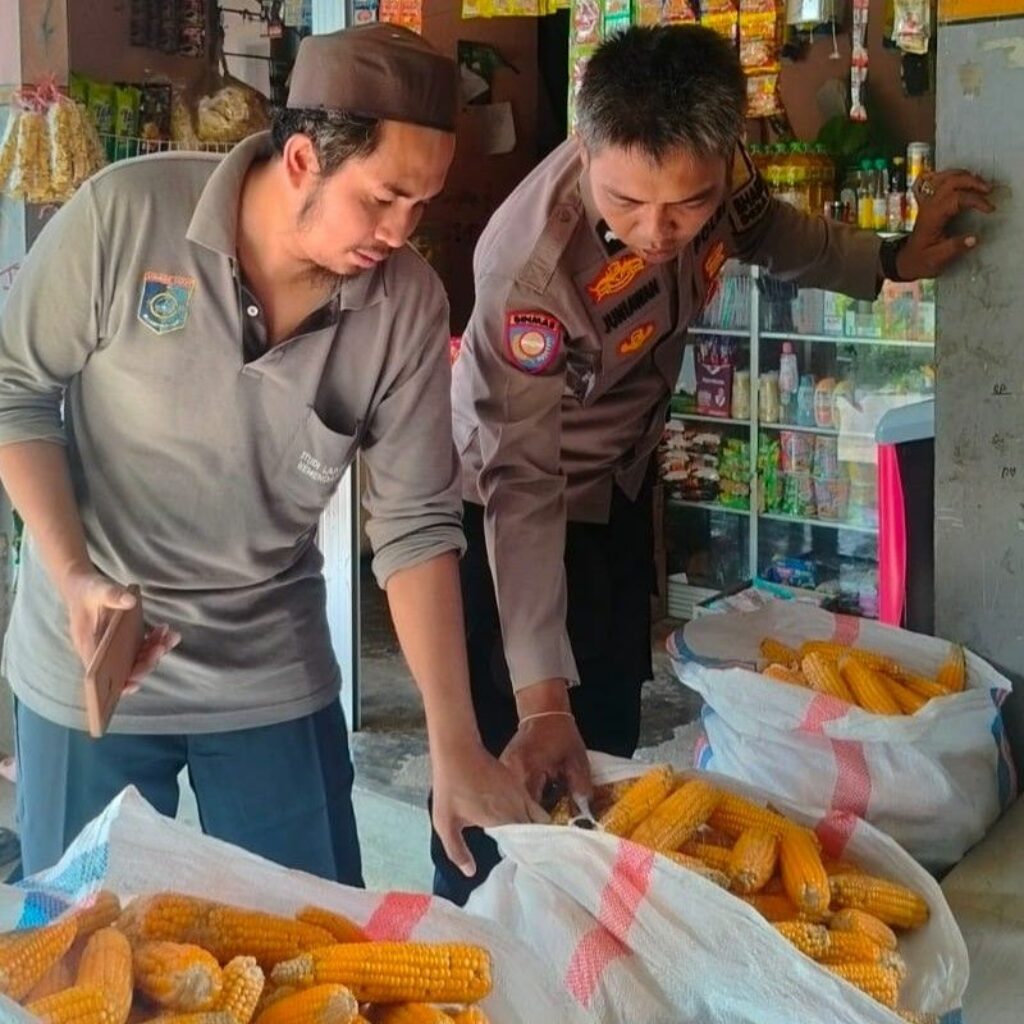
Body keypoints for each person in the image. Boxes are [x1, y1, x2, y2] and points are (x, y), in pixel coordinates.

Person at [435, 23, 993, 903]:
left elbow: (771, 231)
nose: (657, 231)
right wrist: (542, 695)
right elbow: (521, 483)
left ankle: (595, 939)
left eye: (685, 207)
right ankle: (484, 935)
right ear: (586, 149)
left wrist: (886, 259)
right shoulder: (530, 272)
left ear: (725, 154)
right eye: (624, 202)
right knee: (515, 761)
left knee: (608, 731)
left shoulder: (717, 171)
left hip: (618, 489)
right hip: (508, 519)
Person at [0, 23, 543, 881]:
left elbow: (414, 524)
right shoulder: (123, 218)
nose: (401, 232)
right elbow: (14, 391)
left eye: (421, 204)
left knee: (314, 948)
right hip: (93, 656)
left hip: (268, 666)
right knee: (80, 956)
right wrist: (72, 574)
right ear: (300, 161)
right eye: (380, 198)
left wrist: (457, 744)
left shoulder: (404, 306)